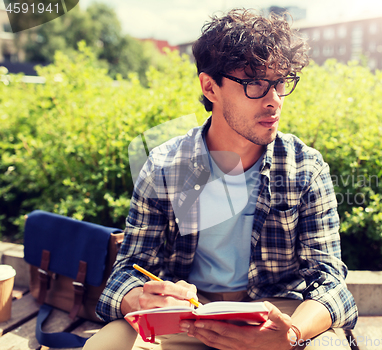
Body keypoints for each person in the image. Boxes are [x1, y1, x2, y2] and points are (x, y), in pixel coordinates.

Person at [84, 8, 357, 350]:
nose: (274, 101)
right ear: (210, 87)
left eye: (280, 83)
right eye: (255, 83)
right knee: (102, 347)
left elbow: (330, 282)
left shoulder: (305, 168)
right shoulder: (165, 164)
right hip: (186, 315)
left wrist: (290, 333)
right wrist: (143, 299)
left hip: (275, 314)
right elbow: (126, 274)